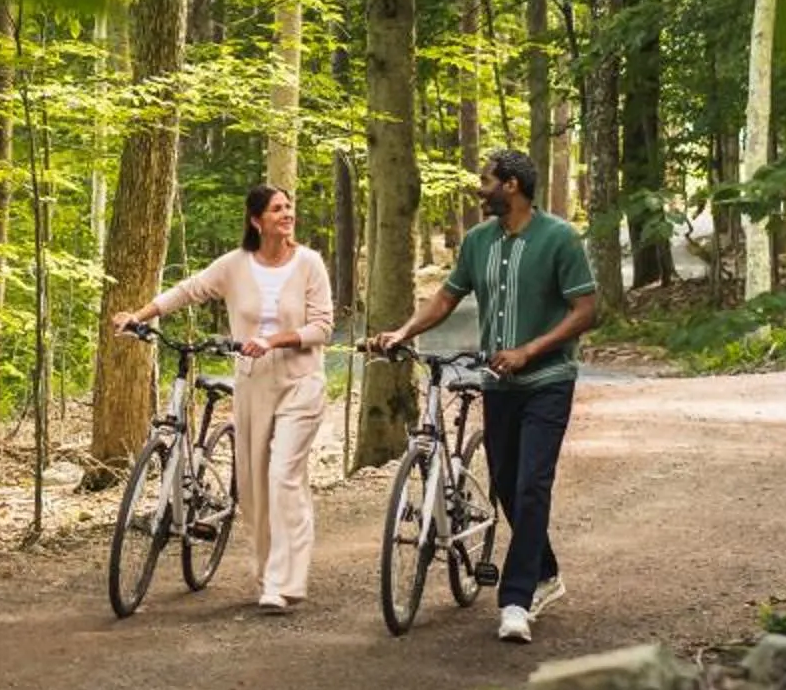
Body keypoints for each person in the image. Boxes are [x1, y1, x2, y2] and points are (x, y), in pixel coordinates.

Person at [369, 148, 599, 643]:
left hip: (548, 380)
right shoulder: (478, 242)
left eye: (486, 179)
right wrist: (403, 332)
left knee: (533, 483)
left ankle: (515, 600)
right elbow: (446, 299)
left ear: (511, 185)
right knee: (508, 485)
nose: (480, 188)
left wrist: (530, 350)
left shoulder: (559, 238)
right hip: (498, 384)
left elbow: (585, 309)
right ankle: (545, 571)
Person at [113, 185, 333, 612]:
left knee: (283, 477)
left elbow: (322, 327)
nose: (287, 214)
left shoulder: (310, 264)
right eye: (277, 209)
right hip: (253, 384)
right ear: (256, 220)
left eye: (289, 207)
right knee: (252, 486)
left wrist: (273, 340)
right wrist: (137, 316)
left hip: (301, 381)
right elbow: (188, 290)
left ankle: (286, 581)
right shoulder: (235, 265)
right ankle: (268, 576)